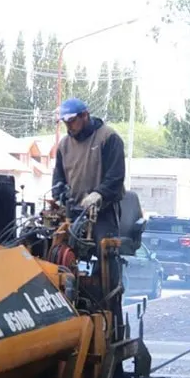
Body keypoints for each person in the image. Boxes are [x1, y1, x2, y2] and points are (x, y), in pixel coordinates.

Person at [51, 97, 127, 336]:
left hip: (101, 215)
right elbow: (58, 179)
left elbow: (115, 179)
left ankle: (110, 324)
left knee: (105, 265)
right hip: (74, 214)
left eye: (72, 121)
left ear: (85, 116)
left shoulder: (108, 138)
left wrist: (98, 194)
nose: (68, 127)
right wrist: (60, 192)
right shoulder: (64, 146)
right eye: (65, 122)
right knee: (58, 257)